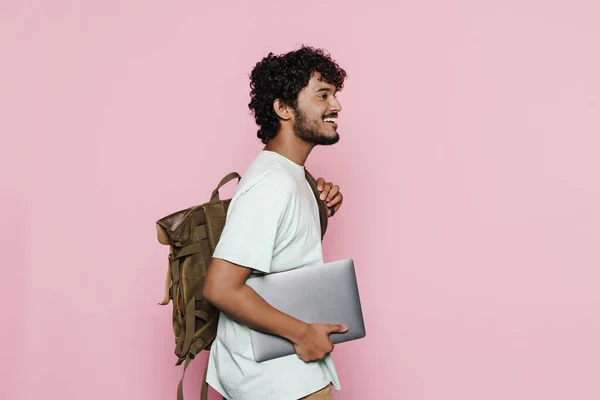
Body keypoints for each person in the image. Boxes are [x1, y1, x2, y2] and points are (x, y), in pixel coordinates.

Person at [202, 45, 348, 400]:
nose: (336, 106)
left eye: (335, 94)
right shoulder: (270, 184)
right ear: (283, 108)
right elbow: (220, 287)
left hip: (287, 371)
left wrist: (320, 205)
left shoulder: (292, 176)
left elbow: (286, 251)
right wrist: (302, 333)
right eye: (322, 95)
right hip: (274, 378)